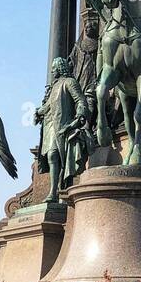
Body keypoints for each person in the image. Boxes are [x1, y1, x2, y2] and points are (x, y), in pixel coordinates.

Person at [35, 56, 93, 203]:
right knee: (51, 156)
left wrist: (79, 116)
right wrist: (37, 112)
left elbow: (80, 100)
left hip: (63, 127)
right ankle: (54, 191)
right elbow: (47, 106)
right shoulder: (54, 86)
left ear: (60, 68)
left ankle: (55, 191)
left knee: (54, 155)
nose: (52, 71)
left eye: (54, 68)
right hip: (50, 126)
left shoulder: (69, 82)